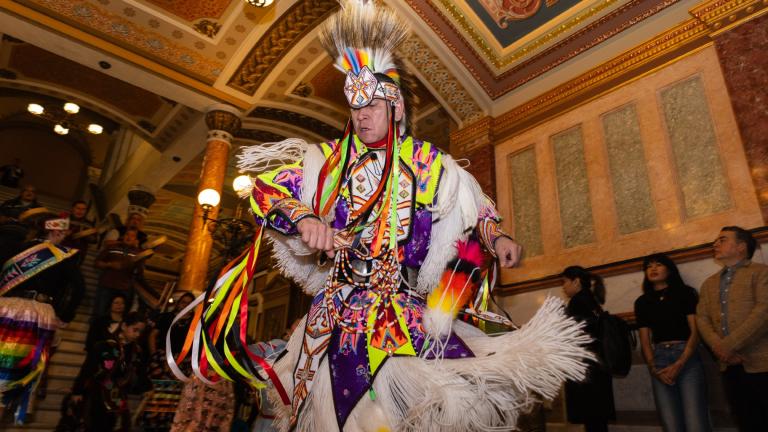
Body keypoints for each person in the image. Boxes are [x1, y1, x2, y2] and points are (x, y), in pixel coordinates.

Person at [169, 2, 592, 431]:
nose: (362, 116)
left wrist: (496, 237)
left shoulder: (429, 163)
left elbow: (473, 207)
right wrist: (304, 220)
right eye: (355, 108)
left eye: (371, 106)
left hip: (404, 313)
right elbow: (266, 191)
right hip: (335, 315)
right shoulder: (329, 162)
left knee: (417, 415)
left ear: (397, 109)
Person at [0, 214, 85, 423]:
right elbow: (79, 288)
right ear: (55, 231)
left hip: (4, 308)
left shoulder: (15, 248)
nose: (64, 238)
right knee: (18, 372)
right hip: (36, 316)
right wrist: (65, 316)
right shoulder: (62, 255)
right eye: (63, 233)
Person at [696, 226, 768, 431]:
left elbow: (764, 312)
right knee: (746, 421)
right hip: (729, 366)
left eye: (723, 240)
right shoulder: (708, 284)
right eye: (716, 241)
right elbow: (702, 318)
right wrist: (720, 348)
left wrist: (728, 345)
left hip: (762, 362)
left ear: (741, 247)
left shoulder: (761, 273)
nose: (715, 244)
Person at [634, 253, 711, 431]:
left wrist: (680, 362)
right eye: (648, 266)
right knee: (670, 424)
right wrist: (653, 368)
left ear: (669, 269)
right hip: (659, 358)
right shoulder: (642, 301)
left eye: (658, 265)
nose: (652, 269)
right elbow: (645, 340)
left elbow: (695, 331)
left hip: (686, 355)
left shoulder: (685, 293)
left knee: (695, 422)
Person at [69, 312, 146, 431]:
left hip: (117, 397)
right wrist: (77, 391)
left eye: (140, 332)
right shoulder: (105, 345)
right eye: (135, 330)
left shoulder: (136, 351)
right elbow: (88, 368)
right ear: (124, 326)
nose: (137, 334)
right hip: (96, 394)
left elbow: (135, 373)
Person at [561, 266, 615, 432]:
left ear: (576, 281)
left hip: (586, 367)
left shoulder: (578, 301)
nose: (563, 287)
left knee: (592, 419)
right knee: (598, 420)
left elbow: (575, 334)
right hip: (597, 366)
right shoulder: (591, 300)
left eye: (564, 282)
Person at [93, 228, 150, 315]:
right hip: (106, 285)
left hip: (124, 289)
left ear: (135, 240)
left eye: (132, 236)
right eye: (127, 234)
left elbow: (139, 274)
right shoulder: (112, 247)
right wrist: (110, 264)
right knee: (99, 313)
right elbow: (96, 263)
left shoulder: (138, 253)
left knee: (118, 316)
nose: (129, 237)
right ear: (123, 236)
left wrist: (139, 266)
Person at [0, 184, 42, 262]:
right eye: (26, 190)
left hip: (22, 238)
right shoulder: (9, 203)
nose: (29, 193)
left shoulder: (39, 209)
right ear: (21, 192)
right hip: (3, 234)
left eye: (32, 191)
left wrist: (28, 240)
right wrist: (5, 219)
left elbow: (37, 228)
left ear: (36, 195)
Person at [62, 200, 97, 266]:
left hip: (77, 256)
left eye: (83, 209)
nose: (80, 211)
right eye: (78, 208)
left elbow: (94, 240)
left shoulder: (89, 224)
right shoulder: (64, 220)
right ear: (72, 208)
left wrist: (85, 235)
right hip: (60, 252)